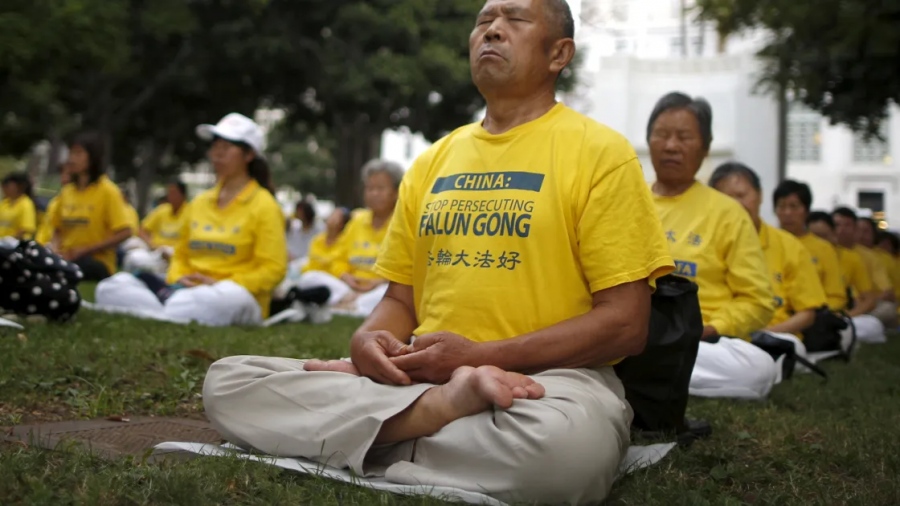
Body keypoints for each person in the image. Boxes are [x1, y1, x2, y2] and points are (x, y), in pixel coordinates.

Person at [202, 1, 674, 503]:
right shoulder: (433, 161)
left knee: (564, 455)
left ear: (559, 53)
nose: (492, 30)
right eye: (483, 21)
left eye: (514, 20)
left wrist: (481, 358)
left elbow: (625, 323)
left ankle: (372, 437)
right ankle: (437, 417)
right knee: (227, 383)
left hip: (548, 386)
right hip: (419, 379)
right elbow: (401, 302)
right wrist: (368, 341)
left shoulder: (601, 154)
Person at [95, 113, 287, 326]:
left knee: (220, 298)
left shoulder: (264, 204)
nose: (217, 154)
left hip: (233, 295)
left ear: (249, 155)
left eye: (226, 148)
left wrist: (222, 283)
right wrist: (178, 277)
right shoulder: (200, 202)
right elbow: (181, 254)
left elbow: (273, 269)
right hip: (187, 290)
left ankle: (161, 309)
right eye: (215, 147)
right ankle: (172, 311)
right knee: (111, 286)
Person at [648, 92, 777, 400]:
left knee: (759, 369)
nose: (671, 146)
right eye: (662, 135)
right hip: (631, 335)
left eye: (684, 137)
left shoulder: (728, 213)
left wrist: (710, 328)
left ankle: (642, 376)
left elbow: (758, 301)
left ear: (705, 149)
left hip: (701, 342)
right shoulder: (625, 200)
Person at [709, 163, 826, 361]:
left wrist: (765, 333)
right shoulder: (702, 243)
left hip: (771, 337)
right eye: (726, 198)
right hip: (715, 335)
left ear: (760, 196)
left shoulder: (790, 246)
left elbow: (808, 313)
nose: (736, 205)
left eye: (742, 195)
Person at [297, 160, 402, 313]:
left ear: (396, 192)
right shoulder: (357, 220)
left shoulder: (402, 224)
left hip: (380, 287)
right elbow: (339, 258)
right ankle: (353, 305)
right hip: (349, 287)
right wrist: (346, 277)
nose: (373, 193)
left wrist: (378, 282)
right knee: (309, 278)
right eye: (369, 188)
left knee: (395, 294)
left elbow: (405, 269)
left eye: (380, 188)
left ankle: (346, 305)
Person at [48, 132, 133, 281]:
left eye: (78, 153)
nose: (72, 159)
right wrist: (55, 249)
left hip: (97, 262)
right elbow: (57, 229)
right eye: (71, 153)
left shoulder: (108, 190)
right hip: (66, 256)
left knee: (67, 269)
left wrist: (85, 250)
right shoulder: (67, 191)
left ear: (93, 158)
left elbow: (125, 232)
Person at [810, 211, 886, 343]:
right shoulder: (800, 256)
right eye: (814, 237)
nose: (819, 243)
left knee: (873, 325)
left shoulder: (851, 259)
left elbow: (869, 299)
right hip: (807, 316)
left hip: (839, 316)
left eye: (823, 237)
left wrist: (847, 316)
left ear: (834, 235)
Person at [774, 180, 847, 311]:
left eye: (794, 206)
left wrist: (814, 314)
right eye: (781, 206)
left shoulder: (823, 248)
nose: (787, 213)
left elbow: (836, 297)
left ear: (806, 211)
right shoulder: (765, 242)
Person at [122, 180, 190, 275]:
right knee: (132, 245)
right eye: (169, 193)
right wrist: (151, 244)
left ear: (183, 195)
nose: (170, 196)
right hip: (155, 248)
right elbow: (141, 229)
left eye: (174, 193)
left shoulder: (191, 212)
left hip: (174, 251)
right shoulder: (162, 209)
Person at [855, 216, 897, 327]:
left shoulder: (881, 257)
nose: (861, 235)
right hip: (852, 304)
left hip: (874, 305)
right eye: (858, 230)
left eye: (866, 231)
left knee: (887, 309)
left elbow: (888, 293)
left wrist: (866, 304)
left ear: (874, 235)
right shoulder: (842, 253)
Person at [0, 172, 37, 240]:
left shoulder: (26, 204)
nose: (4, 189)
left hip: (16, 246)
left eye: (8, 186)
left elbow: (26, 228)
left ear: (20, 186)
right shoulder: (4, 203)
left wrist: (10, 240)